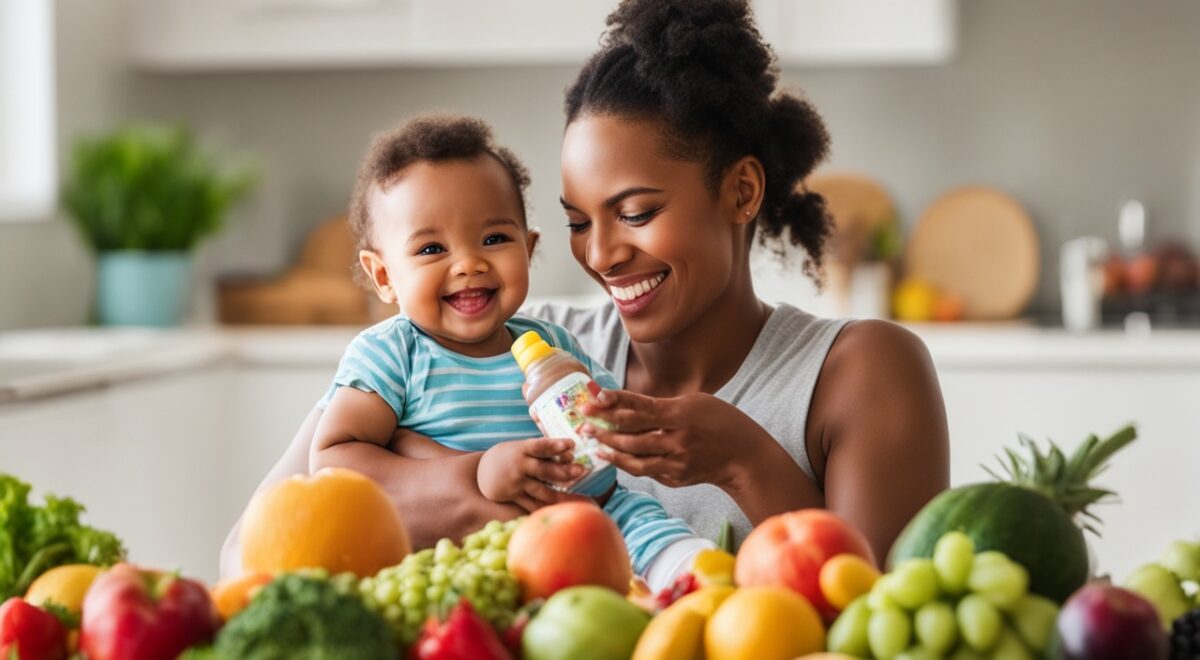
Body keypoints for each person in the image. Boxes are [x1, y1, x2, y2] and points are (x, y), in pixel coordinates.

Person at [221, 0, 948, 577]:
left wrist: (743, 459)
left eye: (636, 213)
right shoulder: (515, 344)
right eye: (577, 220)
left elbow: (878, 622)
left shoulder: (860, 372)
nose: (600, 255)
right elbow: (253, 550)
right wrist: (476, 481)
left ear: (742, 190)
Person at [307, 113, 708, 588]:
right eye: (432, 249)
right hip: (449, 549)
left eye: (494, 239)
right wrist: (477, 469)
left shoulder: (552, 343)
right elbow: (332, 461)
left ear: (529, 246)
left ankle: (682, 571)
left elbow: (608, 421)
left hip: (571, 521)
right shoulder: (393, 353)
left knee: (627, 507)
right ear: (384, 277)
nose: (469, 264)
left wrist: (611, 418)